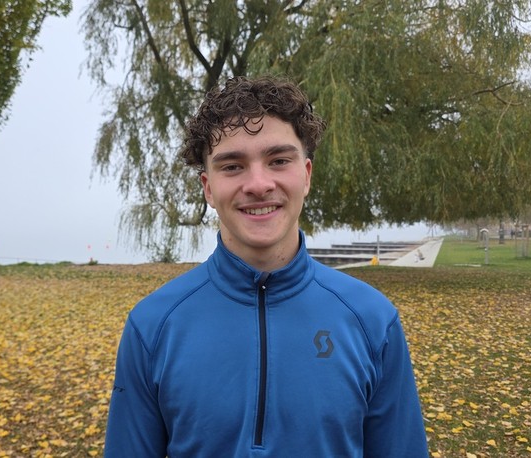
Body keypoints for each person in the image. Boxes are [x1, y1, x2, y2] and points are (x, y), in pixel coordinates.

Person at [104, 76, 428, 457]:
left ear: (305, 175)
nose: (258, 184)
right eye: (233, 166)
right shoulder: (152, 326)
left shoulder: (373, 321)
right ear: (208, 188)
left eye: (278, 160)